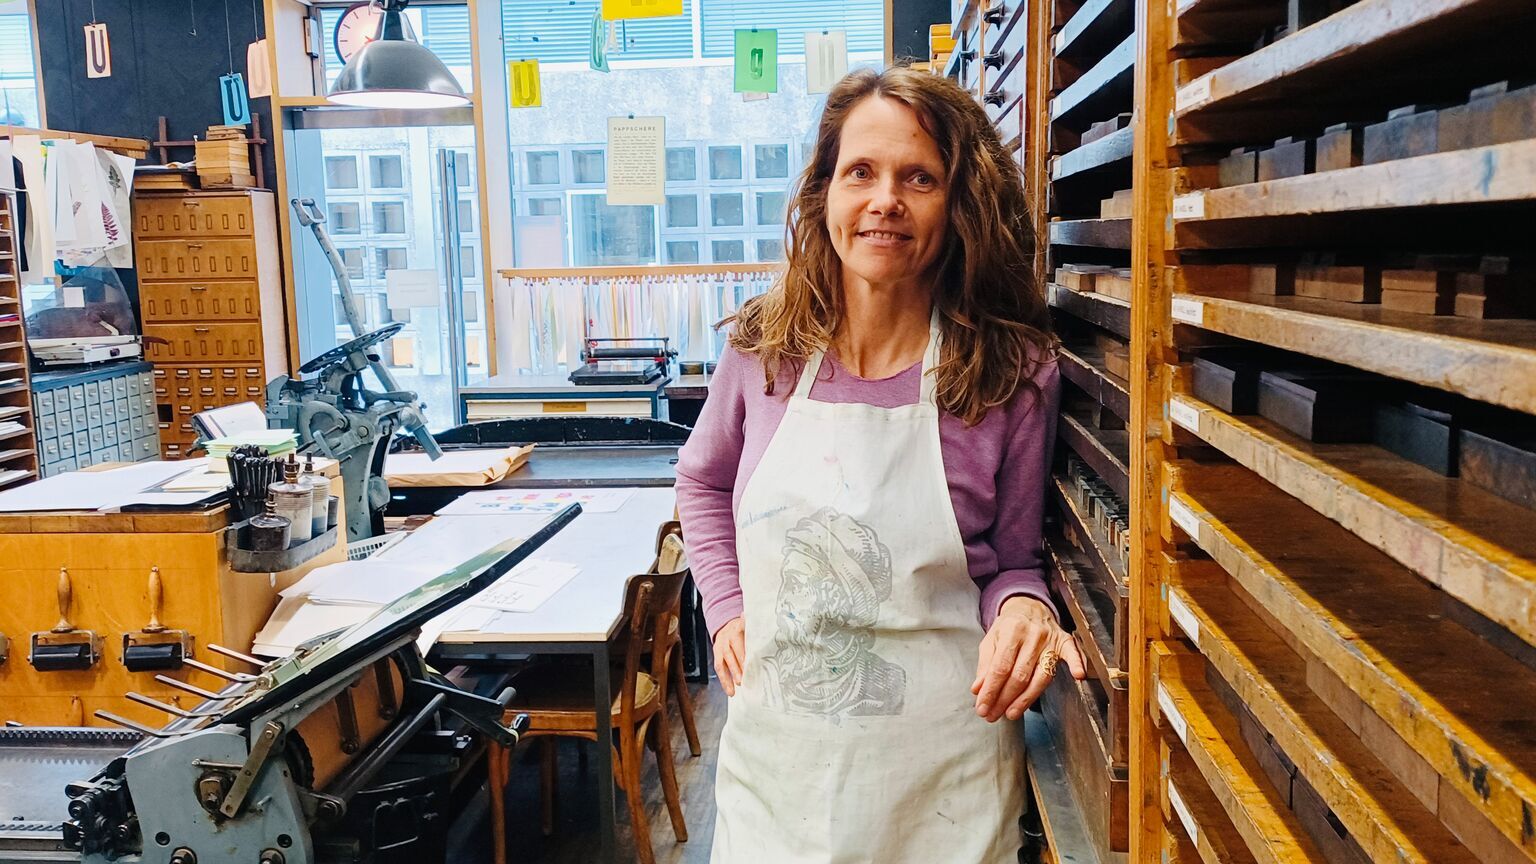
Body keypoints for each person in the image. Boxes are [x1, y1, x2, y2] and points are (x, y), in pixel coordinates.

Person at [674, 65, 1087, 862]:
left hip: (942, 781)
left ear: (957, 204)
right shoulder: (763, 350)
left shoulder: (1010, 374)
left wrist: (1024, 609)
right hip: (778, 777)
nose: (885, 199)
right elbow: (702, 478)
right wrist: (724, 603)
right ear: (824, 192)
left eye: (919, 178)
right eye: (860, 171)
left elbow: (1011, 562)